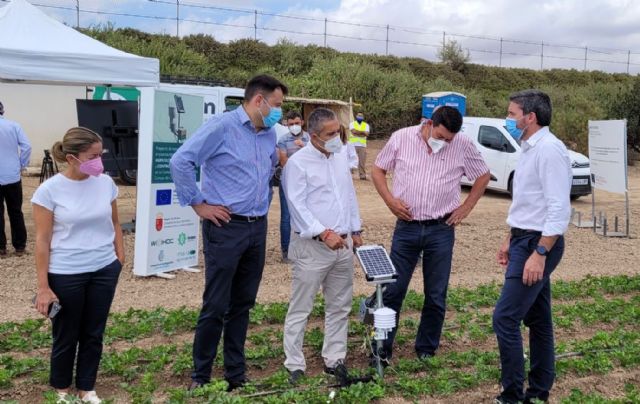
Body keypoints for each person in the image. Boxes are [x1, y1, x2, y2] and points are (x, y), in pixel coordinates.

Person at [170, 74, 287, 391]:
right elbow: (181, 160)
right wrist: (198, 204)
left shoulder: (269, 134)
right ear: (258, 100)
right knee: (216, 304)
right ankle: (201, 376)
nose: (280, 112)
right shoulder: (222, 127)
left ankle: (236, 373)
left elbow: (266, 171)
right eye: (276, 105)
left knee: (243, 303)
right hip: (225, 227)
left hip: (256, 227)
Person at [371, 106, 490, 364]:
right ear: (429, 123)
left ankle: (426, 349)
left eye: (450, 139)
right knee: (393, 290)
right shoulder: (402, 137)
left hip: (441, 229)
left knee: (436, 294)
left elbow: (483, 175)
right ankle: (381, 349)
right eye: (441, 136)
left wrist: (466, 207)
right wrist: (390, 201)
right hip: (407, 226)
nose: (445, 143)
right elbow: (378, 169)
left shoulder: (462, 144)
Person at [32, 127, 124, 404]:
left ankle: (86, 387)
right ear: (72, 158)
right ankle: (61, 389)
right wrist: (43, 287)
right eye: (93, 156)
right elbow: (42, 240)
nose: (100, 161)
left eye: (101, 154)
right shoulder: (49, 191)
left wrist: (119, 256)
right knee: (66, 334)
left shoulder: (105, 183)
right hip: (66, 272)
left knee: (94, 332)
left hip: (104, 269)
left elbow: (115, 222)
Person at [493, 90, 571, 404]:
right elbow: (528, 203)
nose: (508, 119)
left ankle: (512, 396)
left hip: (539, 243)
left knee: (505, 318)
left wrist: (540, 254)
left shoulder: (550, 150)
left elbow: (558, 208)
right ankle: (539, 391)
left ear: (531, 117)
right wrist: (509, 238)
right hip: (524, 237)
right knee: (538, 318)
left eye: (512, 114)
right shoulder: (528, 148)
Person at [281, 108, 363, 385]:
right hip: (313, 246)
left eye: (338, 132)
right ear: (314, 136)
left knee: (340, 305)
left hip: (343, 243)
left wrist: (356, 229)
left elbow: (348, 195)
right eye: (330, 134)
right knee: (301, 306)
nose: (337, 138)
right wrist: (322, 232)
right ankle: (294, 363)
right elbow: (297, 205)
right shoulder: (298, 164)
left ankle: (334, 359)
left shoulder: (339, 158)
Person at [276, 111, 310, 262]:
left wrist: (303, 147)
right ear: (286, 124)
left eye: (296, 123)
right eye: (290, 124)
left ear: (302, 122)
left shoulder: (309, 138)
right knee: (286, 216)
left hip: (308, 181)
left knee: (308, 212)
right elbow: (283, 161)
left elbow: (316, 158)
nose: (294, 126)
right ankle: (286, 251)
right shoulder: (283, 140)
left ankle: (307, 249)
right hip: (288, 181)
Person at [0, 101, 31, 257]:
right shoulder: (13, 125)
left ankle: (1, 248)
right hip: (12, 175)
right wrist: (21, 163)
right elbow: (27, 146)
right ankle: (20, 247)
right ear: (2, 110)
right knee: (16, 211)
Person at [348, 112, 370, 180]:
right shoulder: (352, 123)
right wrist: (362, 132)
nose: (359, 117)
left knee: (362, 161)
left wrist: (358, 132)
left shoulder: (366, 125)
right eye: (358, 115)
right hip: (352, 144)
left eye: (361, 116)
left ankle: (362, 175)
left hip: (362, 145)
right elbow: (353, 132)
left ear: (363, 117)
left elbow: (366, 134)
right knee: (351, 159)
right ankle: (348, 174)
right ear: (356, 116)